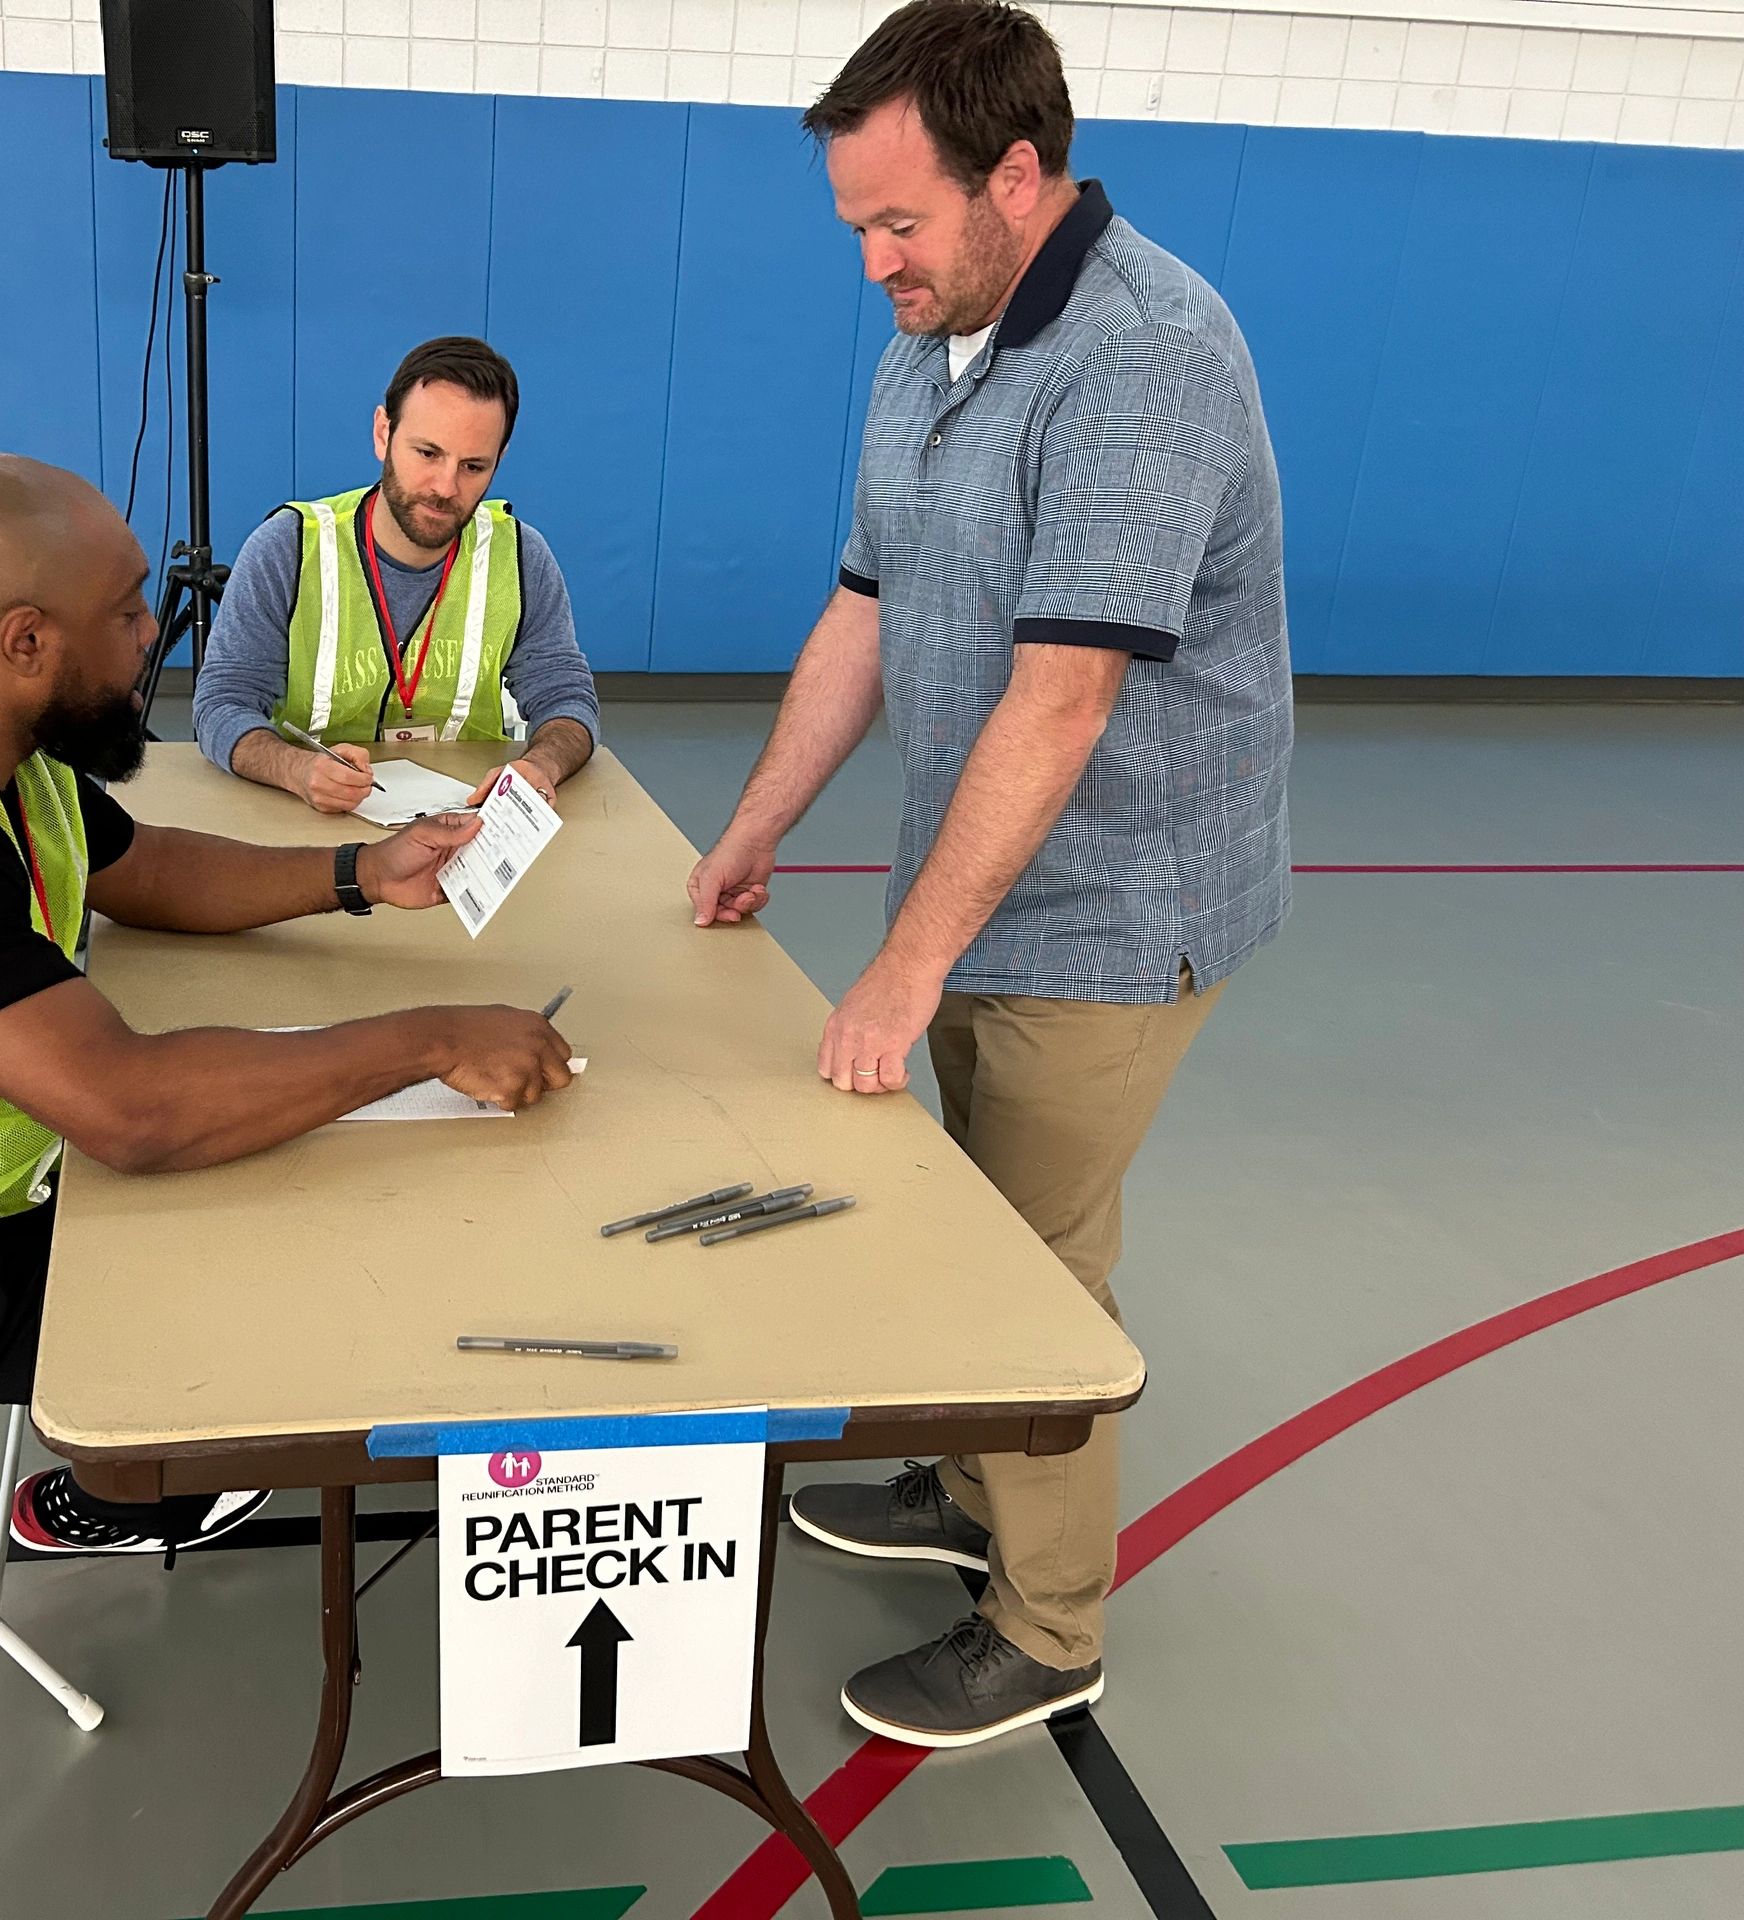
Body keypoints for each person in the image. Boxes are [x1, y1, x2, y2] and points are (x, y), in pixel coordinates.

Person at [689, 0, 1291, 1747]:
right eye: (855, 226)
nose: (873, 262)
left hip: (1118, 902)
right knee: (966, 1212)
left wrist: (903, 965)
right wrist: (760, 821)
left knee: (1035, 1269)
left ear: (1015, 177)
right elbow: (864, 604)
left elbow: (1066, 695)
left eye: (899, 222)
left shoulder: (1148, 356)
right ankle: (966, 1489)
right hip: (978, 875)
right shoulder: (935, 329)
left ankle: (1047, 1628)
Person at [0, 454, 574, 1558]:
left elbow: (143, 865)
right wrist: (435, 1037)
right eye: (126, 614)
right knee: (257, 1291)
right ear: (26, 639)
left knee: (273, 1185)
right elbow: (137, 1113)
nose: (150, 634)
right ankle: (140, 1491)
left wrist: (361, 873)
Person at [192, 335, 600, 813]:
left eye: (473, 466)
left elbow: (566, 696)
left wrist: (542, 765)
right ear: (383, 433)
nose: (445, 487)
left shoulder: (520, 556)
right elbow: (221, 702)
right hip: (310, 816)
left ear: (500, 459)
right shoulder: (288, 548)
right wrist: (294, 768)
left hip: (468, 819)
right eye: (427, 453)